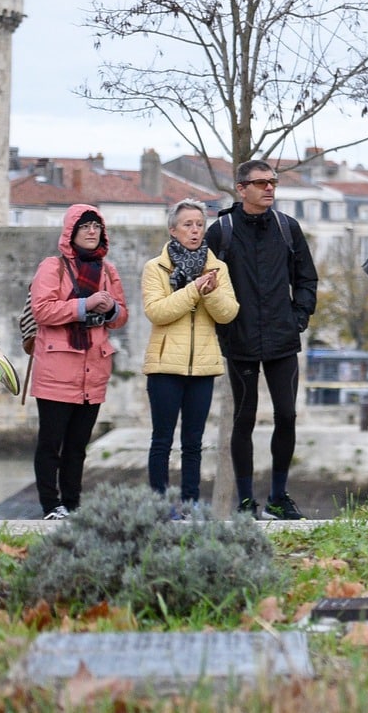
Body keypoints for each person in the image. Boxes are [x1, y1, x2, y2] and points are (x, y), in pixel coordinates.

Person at [207, 159, 318, 520]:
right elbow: (204, 285)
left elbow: (306, 279)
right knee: (244, 418)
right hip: (239, 340)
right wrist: (225, 328)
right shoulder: (221, 230)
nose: (269, 188)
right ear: (241, 189)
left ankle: (277, 497)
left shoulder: (288, 228)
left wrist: (298, 317)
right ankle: (244, 502)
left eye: (273, 182)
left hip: (282, 338)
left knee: (287, 415)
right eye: (261, 183)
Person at [29, 205, 129, 519]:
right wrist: (85, 305)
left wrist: (110, 308)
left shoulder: (108, 270)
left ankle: (73, 503)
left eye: (96, 226)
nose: (90, 231)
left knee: (78, 445)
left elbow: (121, 316)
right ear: (71, 232)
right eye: (84, 226)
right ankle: (50, 505)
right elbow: (42, 311)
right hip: (57, 369)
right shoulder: (52, 267)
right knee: (51, 444)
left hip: (93, 370)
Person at [141, 198, 239, 511]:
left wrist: (208, 294)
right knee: (162, 441)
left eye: (199, 224)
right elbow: (157, 312)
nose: (195, 230)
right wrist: (194, 290)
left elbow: (228, 313)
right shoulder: (155, 268)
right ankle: (160, 504)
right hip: (165, 366)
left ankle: (191, 503)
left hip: (203, 368)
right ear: (173, 230)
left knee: (193, 443)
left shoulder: (218, 268)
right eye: (188, 224)